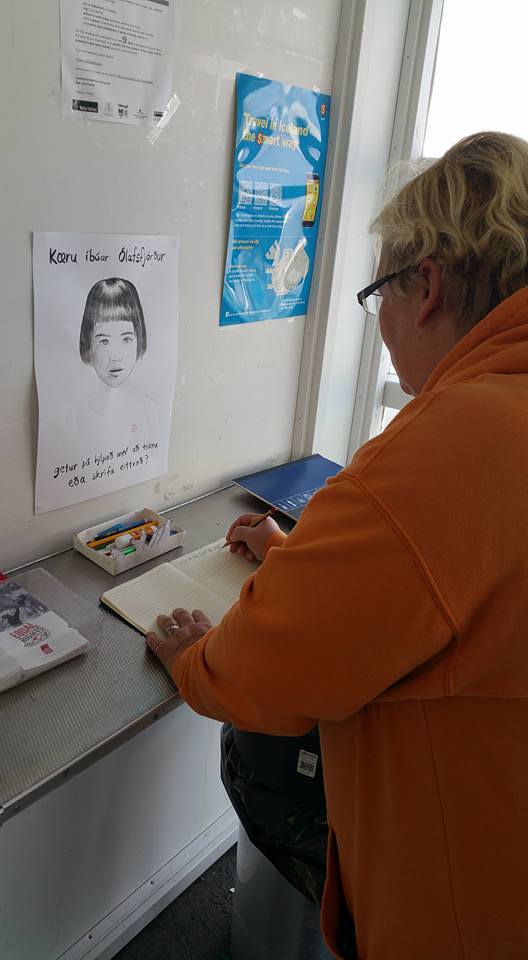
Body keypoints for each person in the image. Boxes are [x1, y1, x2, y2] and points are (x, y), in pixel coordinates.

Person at [146, 131, 528, 959]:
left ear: (425, 287)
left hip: (465, 910)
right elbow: (441, 597)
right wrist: (297, 557)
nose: (380, 321)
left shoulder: (447, 444)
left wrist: (191, 659)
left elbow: (261, 675)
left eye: (377, 292)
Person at [69, 278, 158, 451]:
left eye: (126, 339)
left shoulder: (149, 411)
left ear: (139, 339)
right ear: (87, 343)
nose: (115, 357)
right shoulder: (76, 416)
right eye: (104, 341)